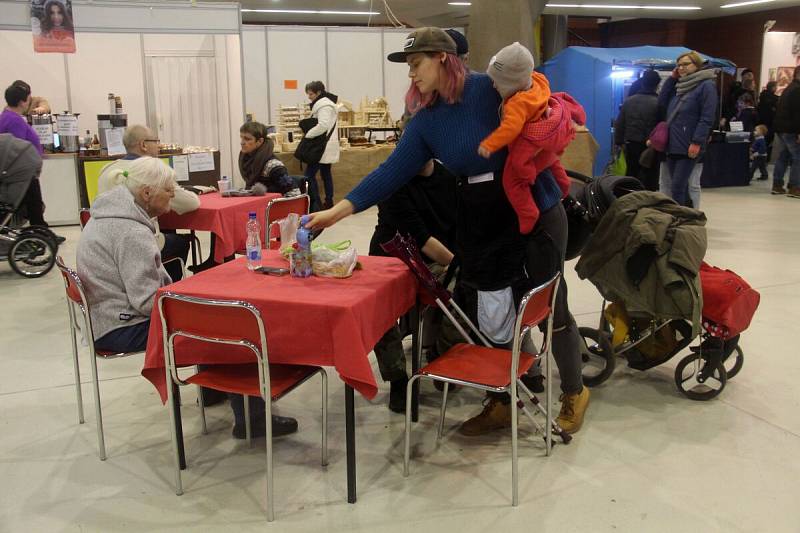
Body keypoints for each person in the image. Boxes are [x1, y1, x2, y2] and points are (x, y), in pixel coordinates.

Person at [305, 27, 590, 436]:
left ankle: (575, 391)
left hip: (536, 212)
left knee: (547, 304)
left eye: (415, 64)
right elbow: (391, 172)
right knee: (492, 310)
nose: (410, 75)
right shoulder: (425, 124)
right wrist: (338, 211)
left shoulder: (490, 90)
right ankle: (501, 397)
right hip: (485, 222)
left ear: (442, 57)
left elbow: (542, 106)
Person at [78, 157, 297, 439]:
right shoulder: (130, 232)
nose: (174, 194)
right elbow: (146, 302)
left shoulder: (113, 217)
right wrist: (195, 303)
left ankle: (214, 391)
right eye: (169, 189)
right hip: (119, 326)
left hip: (107, 316)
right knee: (229, 328)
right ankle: (251, 419)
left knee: (211, 315)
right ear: (147, 193)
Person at [369, 159, 457, 412]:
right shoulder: (392, 182)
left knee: (470, 292)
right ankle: (398, 379)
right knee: (376, 306)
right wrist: (459, 263)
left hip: (438, 259)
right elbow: (423, 240)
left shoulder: (449, 176)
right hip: (393, 261)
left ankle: (442, 353)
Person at [477, 41, 582, 235]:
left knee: (512, 179)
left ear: (512, 83)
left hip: (530, 143)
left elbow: (511, 128)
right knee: (551, 161)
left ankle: (528, 213)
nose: (493, 85)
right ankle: (565, 186)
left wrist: (490, 144)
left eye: (498, 82)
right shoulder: (538, 80)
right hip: (550, 140)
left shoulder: (517, 103)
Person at [97, 125, 198, 282]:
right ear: (143, 144)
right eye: (156, 141)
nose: (159, 145)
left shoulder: (107, 170)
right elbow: (190, 203)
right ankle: (169, 289)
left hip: (107, 246)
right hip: (141, 243)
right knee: (179, 242)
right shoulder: (152, 173)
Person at [0, 80, 64, 243]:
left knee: (34, 205)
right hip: (22, 170)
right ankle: (41, 234)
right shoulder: (14, 120)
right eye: (28, 98)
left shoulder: (7, 116)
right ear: (23, 101)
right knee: (34, 205)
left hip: (19, 169)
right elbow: (19, 146)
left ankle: (41, 232)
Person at [657, 51, 718, 208]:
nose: (681, 68)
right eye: (679, 65)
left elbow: (707, 117)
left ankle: (681, 220)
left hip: (689, 144)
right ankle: (688, 216)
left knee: (678, 186)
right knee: (677, 187)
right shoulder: (681, 86)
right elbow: (662, 102)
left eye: (686, 64)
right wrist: (672, 79)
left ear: (696, 65)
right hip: (673, 144)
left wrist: (697, 141)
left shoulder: (706, 86)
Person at [614, 69, 662, 191]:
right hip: (651, 146)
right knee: (650, 176)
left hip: (631, 143)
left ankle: (631, 197)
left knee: (631, 173)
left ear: (642, 83)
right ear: (657, 85)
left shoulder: (629, 101)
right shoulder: (659, 103)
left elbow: (619, 123)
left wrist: (619, 142)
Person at [302, 81, 340, 211]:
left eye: (311, 94)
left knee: (309, 175)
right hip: (325, 145)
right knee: (325, 173)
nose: (309, 96)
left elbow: (323, 125)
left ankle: (316, 202)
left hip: (321, 147)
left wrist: (308, 134)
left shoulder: (324, 106)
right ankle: (328, 201)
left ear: (318, 93)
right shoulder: (326, 104)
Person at [239, 121, 300, 195]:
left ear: (260, 141)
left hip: (274, 205)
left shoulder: (273, 165)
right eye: (241, 138)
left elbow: (294, 194)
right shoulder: (246, 161)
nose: (242, 142)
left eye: (247, 139)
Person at [771, 66, 800, 198]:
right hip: (791, 129)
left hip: (781, 128)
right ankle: (795, 187)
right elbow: (797, 113)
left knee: (783, 156)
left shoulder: (789, 88)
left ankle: (777, 185)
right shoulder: (797, 89)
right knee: (798, 158)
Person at [758, 81, 779, 156]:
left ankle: (760, 156)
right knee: (768, 141)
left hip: (761, 122)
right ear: (773, 87)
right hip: (770, 123)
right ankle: (765, 157)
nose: (777, 88)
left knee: (761, 140)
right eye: (776, 86)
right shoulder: (775, 99)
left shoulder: (762, 96)